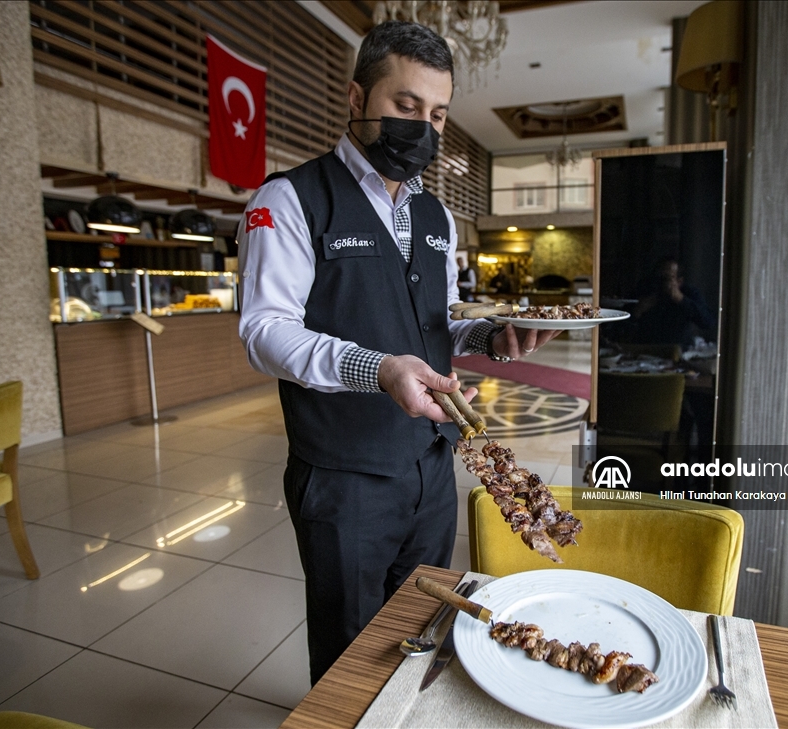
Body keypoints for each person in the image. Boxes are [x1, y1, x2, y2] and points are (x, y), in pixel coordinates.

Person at [237, 21, 559, 686]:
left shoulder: (435, 217)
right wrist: (376, 367)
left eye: (437, 114)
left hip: (431, 469)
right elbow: (264, 330)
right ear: (357, 99)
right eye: (405, 107)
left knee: (422, 631)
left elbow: (435, 325)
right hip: (345, 476)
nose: (424, 127)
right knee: (349, 648)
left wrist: (494, 338)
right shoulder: (291, 199)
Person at [631, 258, 715, 346]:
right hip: (646, 348)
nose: (662, 282)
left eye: (667, 278)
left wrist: (681, 300)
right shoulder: (644, 289)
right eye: (659, 277)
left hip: (678, 349)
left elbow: (708, 322)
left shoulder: (688, 292)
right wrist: (637, 311)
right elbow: (621, 327)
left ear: (679, 281)